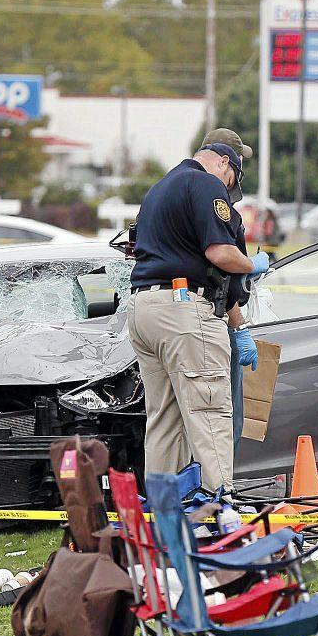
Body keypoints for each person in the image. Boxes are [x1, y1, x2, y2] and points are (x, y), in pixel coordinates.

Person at [128, 143, 268, 489]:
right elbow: (220, 253)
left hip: (144, 309)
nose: (229, 188)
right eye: (232, 177)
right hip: (184, 311)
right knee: (210, 415)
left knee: (164, 421)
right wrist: (252, 264)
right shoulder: (206, 184)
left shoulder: (159, 189)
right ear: (223, 163)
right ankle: (219, 512)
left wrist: (238, 326)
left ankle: (165, 515)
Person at [200, 127, 258, 448]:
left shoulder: (176, 195)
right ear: (225, 161)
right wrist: (240, 327)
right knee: (225, 417)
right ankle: (221, 490)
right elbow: (225, 274)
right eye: (237, 166)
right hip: (215, 321)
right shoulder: (221, 210)